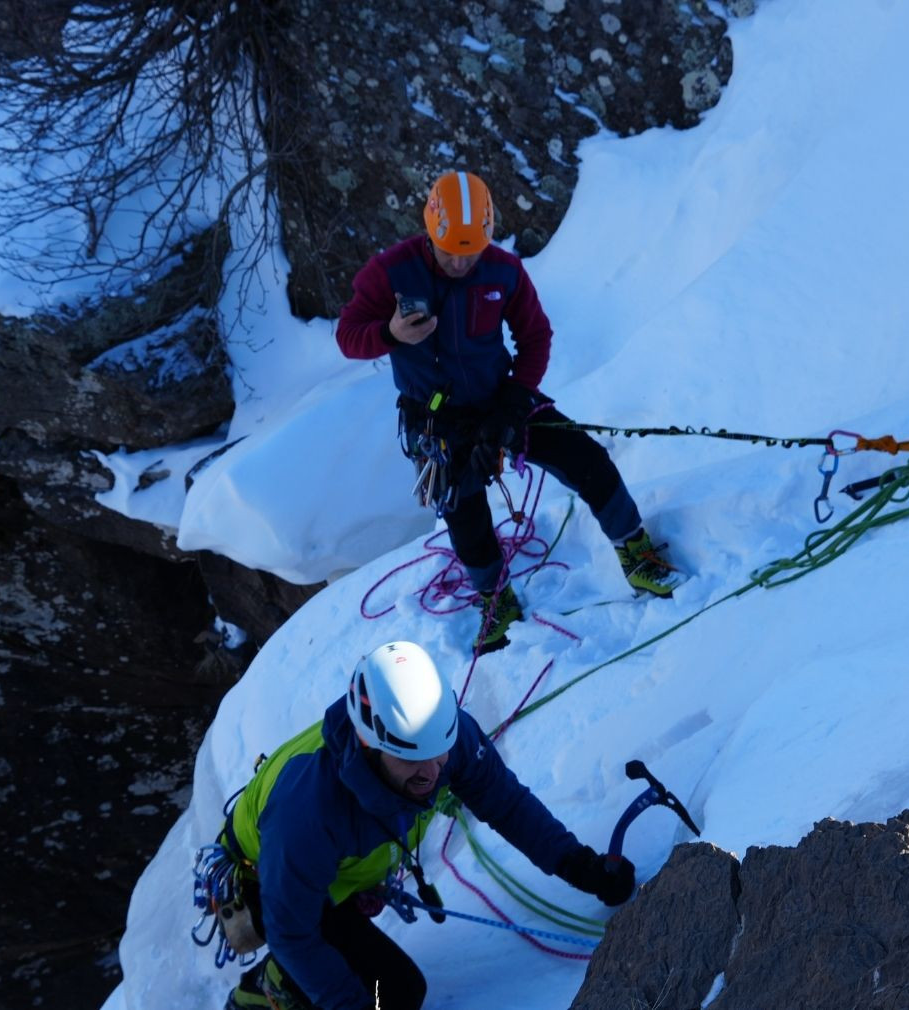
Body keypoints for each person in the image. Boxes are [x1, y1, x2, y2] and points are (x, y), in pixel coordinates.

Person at [336, 170, 682, 654]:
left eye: (470, 251)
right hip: (436, 419)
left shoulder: (502, 271)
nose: (459, 262)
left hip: (502, 399)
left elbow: (535, 337)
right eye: (448, 251)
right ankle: (495, 600)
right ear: (430, 234)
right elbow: (348, 336)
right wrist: (391, 333)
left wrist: (514, 405)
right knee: (462, 507)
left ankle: (636, 551)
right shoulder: (391, 272)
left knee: (585, 458)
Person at [220, 640, 635, 1010]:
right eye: (414, 760)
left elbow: (506, 805)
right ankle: (271, 987)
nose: (433, 773)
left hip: (335, 867)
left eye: (440, 756)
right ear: (369, 744)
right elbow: (293, 932)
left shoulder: (443, 736)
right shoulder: (308, 812)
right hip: (268, 874)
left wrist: (579, 865)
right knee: (394, 996)